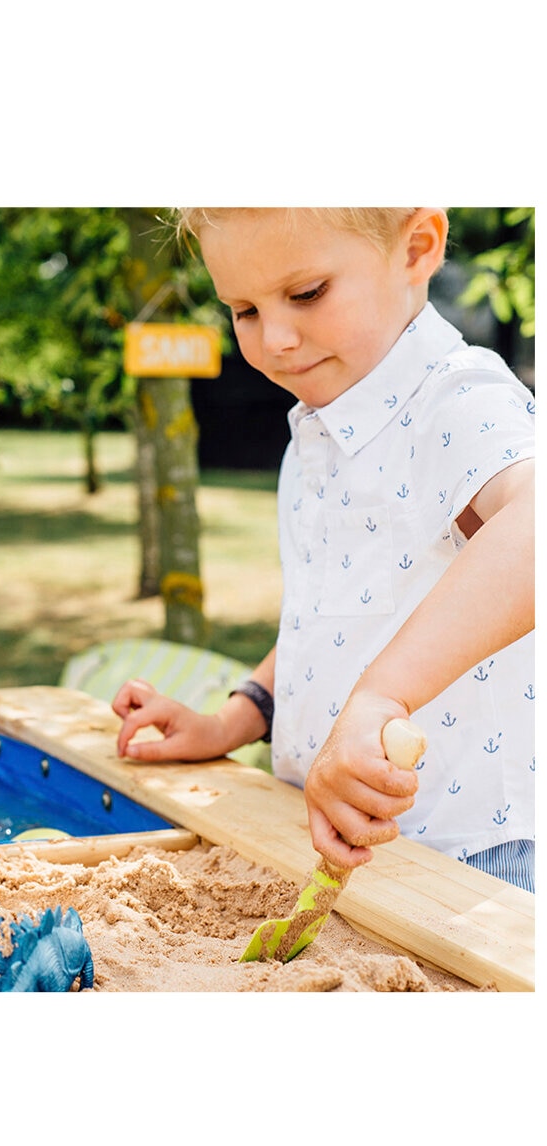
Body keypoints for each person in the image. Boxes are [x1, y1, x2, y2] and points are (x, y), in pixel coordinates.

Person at [113, 208, 535, 891]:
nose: (275, 339)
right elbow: (340, 619)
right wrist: (235, 716)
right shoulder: (323, 429)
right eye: (243, 309)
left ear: (417, 248)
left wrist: (383, 697)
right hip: (364, 859)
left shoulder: (456, 401)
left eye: (307, 294)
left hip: (474, 861)